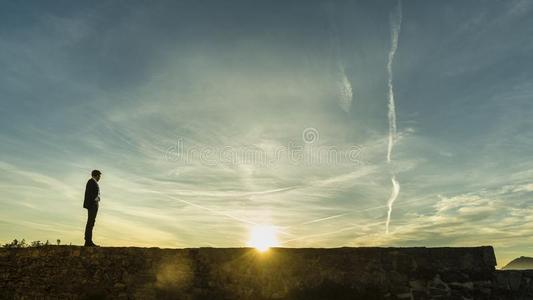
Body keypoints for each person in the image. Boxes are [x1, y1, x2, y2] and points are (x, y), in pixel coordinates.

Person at [83, 170, 102, 247]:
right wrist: (96, 199)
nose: (100, 178)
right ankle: (88, 241)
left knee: (91, 222)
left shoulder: (93, 182)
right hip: (92, 205)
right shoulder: (91, 182)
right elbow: (89, 193)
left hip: (94, 205)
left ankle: (88, 240)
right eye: (99, 176)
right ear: (96, 175)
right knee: (90, 222)